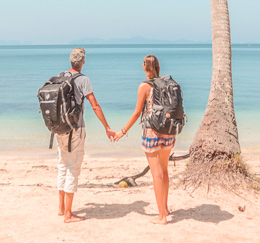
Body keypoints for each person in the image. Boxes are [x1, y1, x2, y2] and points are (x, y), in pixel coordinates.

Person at [114, 54, 175, 225]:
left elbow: (136, 113)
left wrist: (122, 131)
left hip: (152, 133)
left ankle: (161, 216)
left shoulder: (144, 86)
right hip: (168, 132)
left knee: (156, 174)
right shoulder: (166, 83)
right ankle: (165, 208)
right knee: (164, 171)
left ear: (145, 67)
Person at [57, 47, 115, 224]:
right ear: (83, 62)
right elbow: (95, 105)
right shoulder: (83, 80)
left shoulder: (61, 77)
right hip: (76, 128)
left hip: (60, 128)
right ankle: (68, 214)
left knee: (62, 165)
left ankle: (61, 209)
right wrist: (107, 127)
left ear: (70, 61)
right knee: (73, 168)